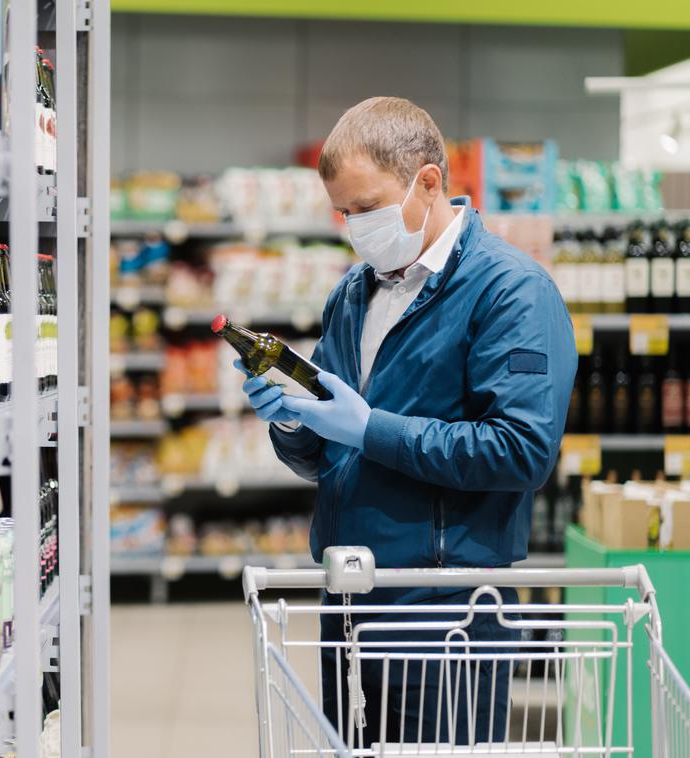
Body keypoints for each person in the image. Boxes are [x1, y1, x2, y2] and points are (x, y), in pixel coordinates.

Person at [238, 97, 576, 746]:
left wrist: (370, 428)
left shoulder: (510, 292)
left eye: (368, 208)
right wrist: (293, 424)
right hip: (348, 598)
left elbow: (522, 451)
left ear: (428, 181)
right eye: (344, 212)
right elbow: (328, 457)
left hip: (446, 609)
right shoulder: (354, 292)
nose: (355, 227)